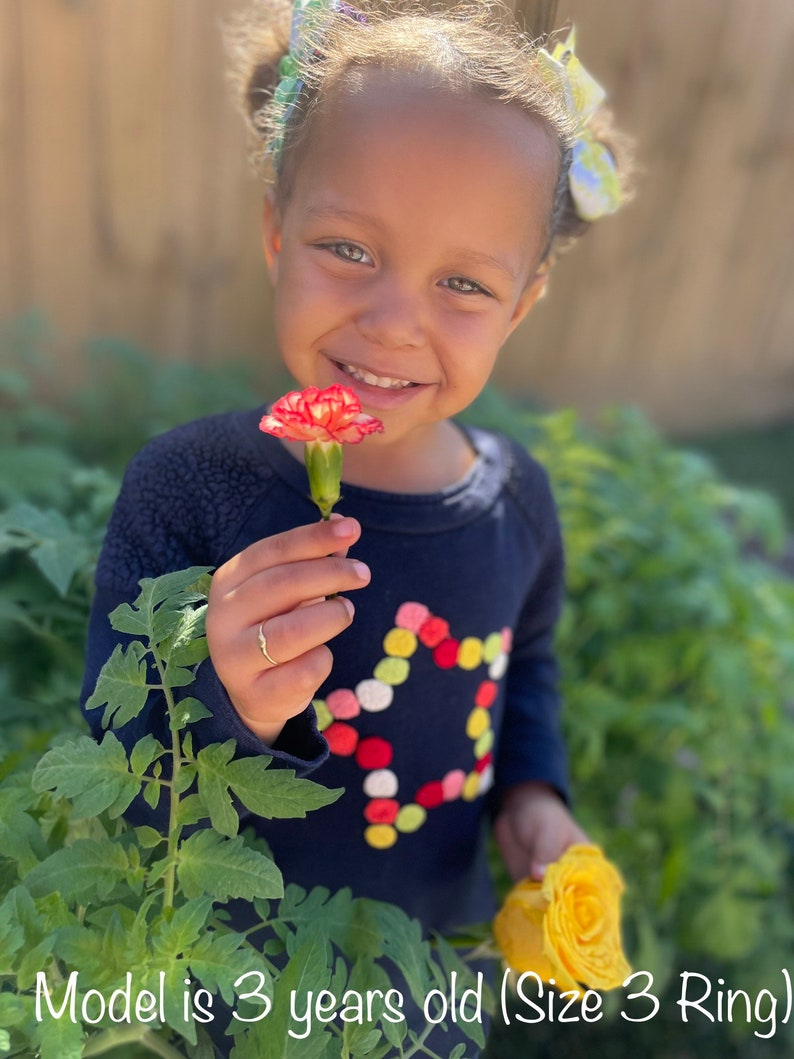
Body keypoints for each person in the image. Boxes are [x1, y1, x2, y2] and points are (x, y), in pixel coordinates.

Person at [81, 0, 631, 1038]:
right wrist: (228, 704)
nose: (393, 323)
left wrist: (533, 796)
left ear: (521, 305)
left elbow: (525, 669)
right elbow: (122, 777)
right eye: (347, 248)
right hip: (234, 988)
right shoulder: (190, 488)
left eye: (462, 282)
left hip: (427, 979)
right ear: (274, 234)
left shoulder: (517, 503)